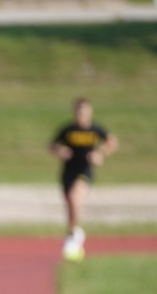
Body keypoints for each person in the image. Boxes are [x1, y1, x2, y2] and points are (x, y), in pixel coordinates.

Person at [49, 97, 119, 261]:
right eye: (79, 111)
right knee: (70, 205)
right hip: (68, 172)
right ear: (75, 112)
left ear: (90, 112)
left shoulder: (95, 130)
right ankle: (72, 233)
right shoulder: (68, 130)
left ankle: (76, 234)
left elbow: (112, 142)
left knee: (75, 198)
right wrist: (59, 151)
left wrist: (101, 154)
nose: (82, 114)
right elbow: (51, 145)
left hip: (84, 171)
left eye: (85, 111)